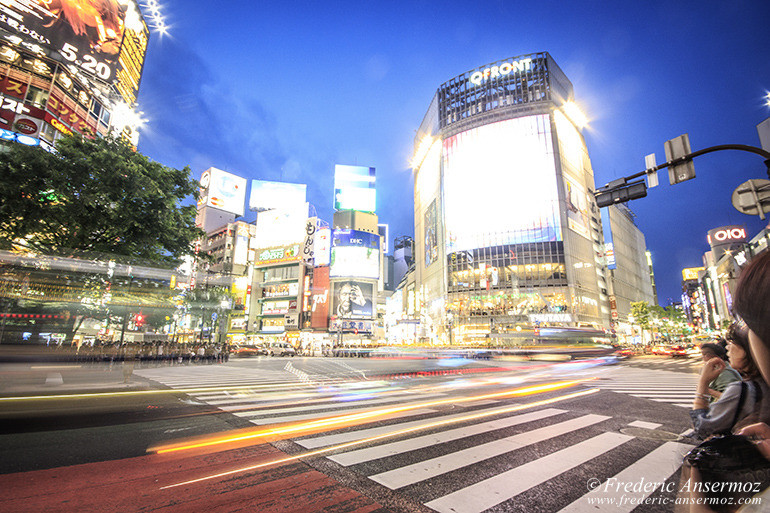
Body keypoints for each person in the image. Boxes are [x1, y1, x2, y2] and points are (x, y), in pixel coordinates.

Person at [690, 323, 767, 439]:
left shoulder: (742, 388)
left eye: (732, 343)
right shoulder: (764, 381)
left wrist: (703, 383)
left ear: (750, 348)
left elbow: (702, 429)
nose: (727, 347)